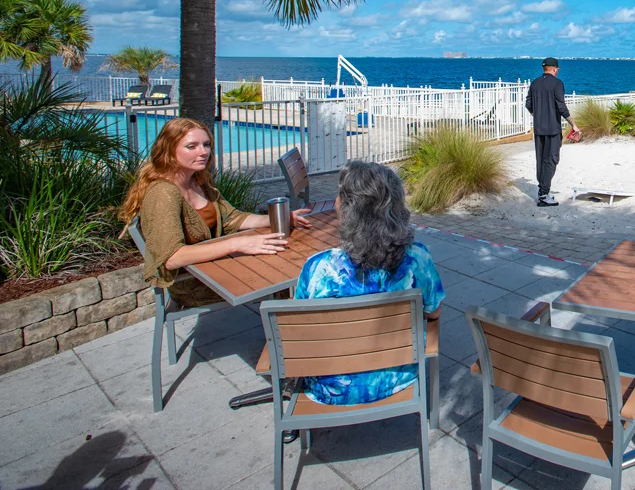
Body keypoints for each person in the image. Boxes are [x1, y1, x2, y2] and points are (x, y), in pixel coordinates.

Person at [293, 160, 445, 405]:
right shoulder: (417, 259)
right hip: (396, 378)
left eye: (339, 195)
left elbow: (299, 330)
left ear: (346, 208)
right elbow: (434, 312)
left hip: (330, 387)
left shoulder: (318, 268)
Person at [120, 117, 311, 308]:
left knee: (289, 265)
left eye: (206, 145)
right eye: (192, 146)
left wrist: (276, 219)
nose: (203, 152)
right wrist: (236, 244)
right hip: (193, 283)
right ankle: (286, 333)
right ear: (169, 150)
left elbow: (232, 218)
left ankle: (287, 330)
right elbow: (172, 258)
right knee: (284, 276)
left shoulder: (197, 181)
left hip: (215, 267)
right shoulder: (163, 193)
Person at [525, 57, 579, 206]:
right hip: (552, 129)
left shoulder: (535, 83)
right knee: (551, 160)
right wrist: (573, 124)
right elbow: (561, 106)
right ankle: (544, 195)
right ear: (555, 69)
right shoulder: (557, 83)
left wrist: (538, 114)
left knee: (541, 159)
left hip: (538, 128)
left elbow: (528, 104)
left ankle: (542, 190)